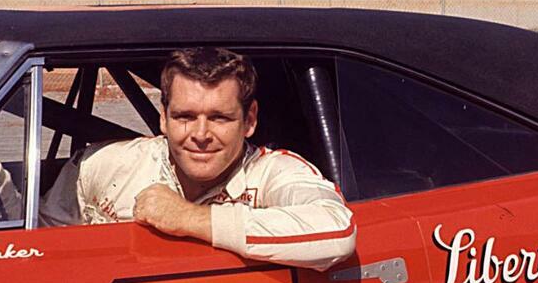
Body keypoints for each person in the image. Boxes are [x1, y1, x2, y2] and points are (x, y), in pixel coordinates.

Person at [40, 48, 356, 271]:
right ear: (163, 118)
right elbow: (37, 246)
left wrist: (190, 219)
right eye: (185, 117)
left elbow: (337, 231)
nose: (201, 134)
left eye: (219, 118)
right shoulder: (104, 164)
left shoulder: (273, 172)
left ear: (249, 120)